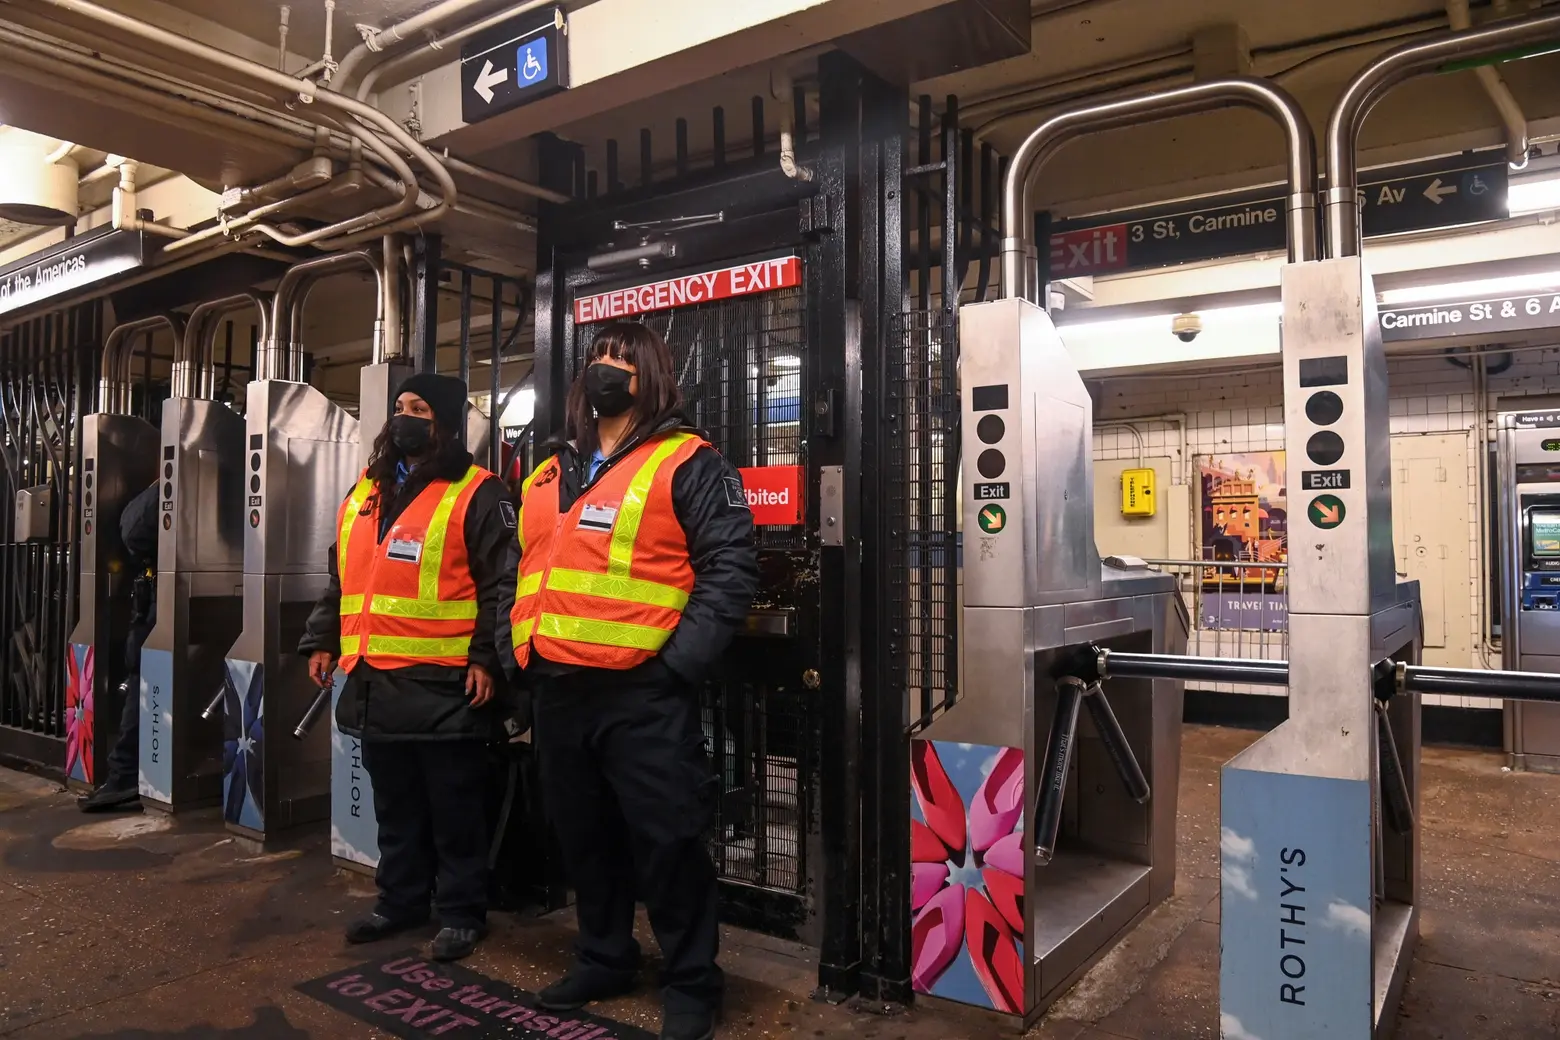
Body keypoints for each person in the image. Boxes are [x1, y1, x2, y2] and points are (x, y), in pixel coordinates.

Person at [501, 322, 759, 1040]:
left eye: (621, 359)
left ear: (650, 375)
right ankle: (605, 958)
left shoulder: (691, 463)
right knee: (585, 840)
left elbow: (731, 571)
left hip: (642, 693)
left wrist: (675, 666)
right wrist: (514, 651)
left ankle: (692, 982)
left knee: (668, 841)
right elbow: (521, 572)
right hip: (558, 689)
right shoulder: (551, 472)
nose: (605, 369)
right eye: (597, 359)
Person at [299, 373, 519, 963]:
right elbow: (344, 580)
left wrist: (487, 659)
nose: (404, 418)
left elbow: (503, 586)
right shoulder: (365, 493)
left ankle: (461, 912)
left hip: (447, 685)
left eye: (418, 408)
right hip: (375, 679)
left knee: (454, 808)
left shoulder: (480, 492)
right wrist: (320, 641)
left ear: (444, 422)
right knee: (395, 806)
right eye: (399, 407)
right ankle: (400, 902)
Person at [79, 479, 159, 813]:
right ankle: (142, 774)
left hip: (158, 600)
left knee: (143, 679)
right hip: (175, 596)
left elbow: (133, 530)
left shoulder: (172, 478)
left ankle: (126, 774)